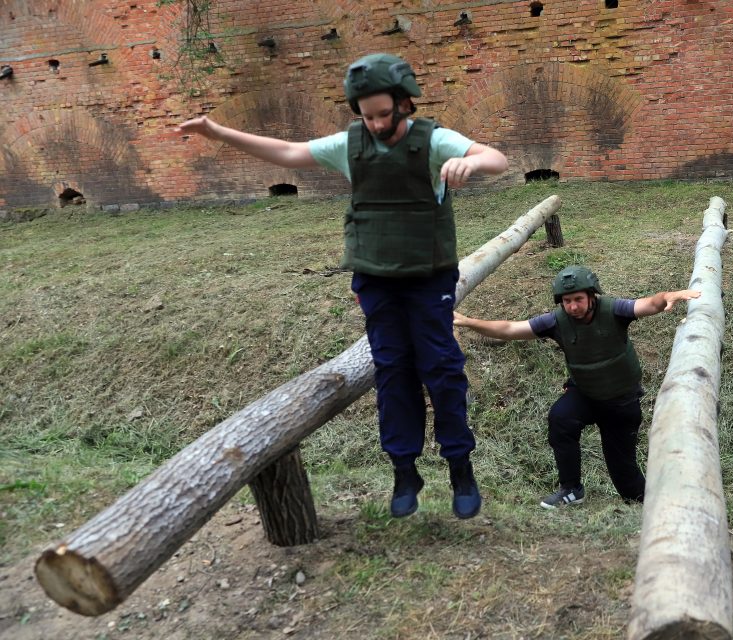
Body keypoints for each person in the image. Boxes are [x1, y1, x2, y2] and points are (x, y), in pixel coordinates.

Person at [177, 53, 508, 520]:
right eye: (365, 115)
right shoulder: (350, 145)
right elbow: (289, 153)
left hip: (428, 277)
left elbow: (497, 157)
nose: (374, 123)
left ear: (403, 104)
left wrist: (470, 164)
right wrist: (217, 132)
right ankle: (404, 471)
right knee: (392, 372)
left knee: (442, 370)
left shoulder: (433, 140)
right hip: (376, 280)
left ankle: (460, 468)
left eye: (383, 114)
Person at [453, 266, 700, 509]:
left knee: (625, 474)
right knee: (561, 418)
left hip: (621, 400)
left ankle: (649, 507)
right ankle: (571, 489)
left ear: (592, 296)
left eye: (578, 299)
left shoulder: (614, 310)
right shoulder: (556, 321)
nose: (573, 306)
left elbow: (649, 304)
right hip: (586, 393)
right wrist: (467, 321)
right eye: (567, 301)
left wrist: (667, 296)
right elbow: (510, 329)